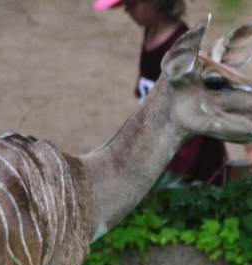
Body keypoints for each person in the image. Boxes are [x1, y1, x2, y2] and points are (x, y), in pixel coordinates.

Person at [95, 0, 233, 186]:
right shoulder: (151, 33)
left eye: (132, 4)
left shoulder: (181, 45)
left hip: (192, 153)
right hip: (162, 140)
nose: (126, 10)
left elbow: (210, 95)